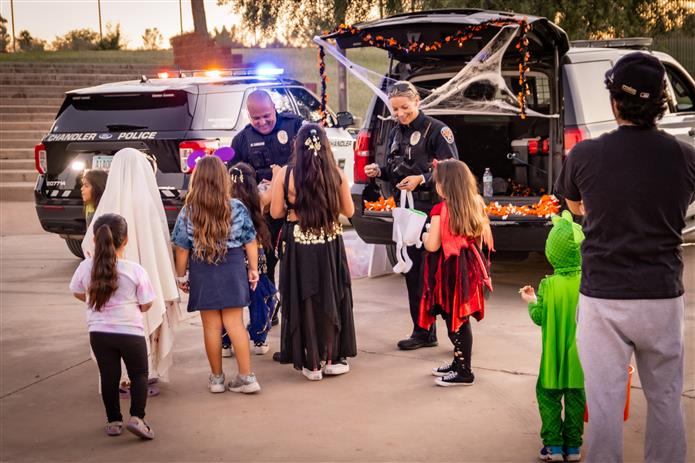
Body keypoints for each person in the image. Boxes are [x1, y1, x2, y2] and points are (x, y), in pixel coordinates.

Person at [554, 52, 695, 463]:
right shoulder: (686, 156)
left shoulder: (584, 156)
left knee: (604, 403)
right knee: (666, 398)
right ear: (662, 104)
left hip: (603, 296)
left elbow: (575, 206)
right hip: (662, 294)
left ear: (614, 103)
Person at [364, 80, 459, 350]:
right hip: (407, 210)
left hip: (433, 211)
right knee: (414, 271)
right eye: (395, 110)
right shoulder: (396, 129)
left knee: (439, 273)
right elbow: (397, 165)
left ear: (417, 101)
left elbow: (453, 169)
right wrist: (380, 171)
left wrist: (423, 179)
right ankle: (422, 330)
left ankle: (456, 332)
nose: (400, 114)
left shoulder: (438, 131)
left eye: (405, 107)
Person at [83, 148, 183, 396]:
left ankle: (120, 378)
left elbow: (88, 245)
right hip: (144, 280)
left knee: (115, 325)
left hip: (113, 282)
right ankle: (145, 375)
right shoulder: (147, 201)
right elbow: (160, 243)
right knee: (142, 324)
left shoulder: (108, 202)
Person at [270, 123, 356, 381]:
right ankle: (331, 358)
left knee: (304, 297)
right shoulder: (337, 174)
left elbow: (275, 212)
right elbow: (349, 211)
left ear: (297, 145)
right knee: (331, 294)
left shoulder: (285, 175)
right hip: (329, 242)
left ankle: (312, 363)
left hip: (299, 244)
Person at [172, 155, 261, 394]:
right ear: (224, 179)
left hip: (202, 267)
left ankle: (216, 379)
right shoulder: (237, 207)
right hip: (232, 266)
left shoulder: (189, 210)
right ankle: (246, 377)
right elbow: (250, 240)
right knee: (235, 323)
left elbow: (181, 247)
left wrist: (181, 276)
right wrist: (253, 269)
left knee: (211, 327)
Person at [70, 213, 155, 440]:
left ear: (95, 241)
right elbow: (147, 303)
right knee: (139, 374)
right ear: (125, 240)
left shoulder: (86, 267)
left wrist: (93, 299)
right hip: (130, 332)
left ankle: (113, 421)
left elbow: (78, 291)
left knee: (109, 375)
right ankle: (137, 418)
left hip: (99, 333)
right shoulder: (135, 270)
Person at [520, 210, 586, 463]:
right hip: (579, 359)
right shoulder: (587, 283)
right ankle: (574, 447)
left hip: (552, 359)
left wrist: (531, 300)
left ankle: (554, 447)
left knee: (548, 398)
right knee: (576, 400)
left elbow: (539, 317)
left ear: (552, 253)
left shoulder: (548, 285)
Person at [419, 159, 491, 386]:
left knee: (455, 320)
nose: (436, 186)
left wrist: (422, 237)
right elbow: (480, 238)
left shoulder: (440, 210)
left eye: (437, 182)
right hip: (469, 267)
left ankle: (465, 372)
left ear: (446, 185)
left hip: (450, 271)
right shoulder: (476, 203)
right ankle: (458, 362)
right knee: (460, 316)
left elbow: (432, 245)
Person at [229, 89, 303, 309]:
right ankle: (270, 308)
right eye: (256, 118)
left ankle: (295, 306)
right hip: (263, 214)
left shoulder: (295, 126)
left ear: (274, 109)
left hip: (295, 210)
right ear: (248, 115)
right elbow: (234, 180)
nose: (262, 122)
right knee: (266, 262)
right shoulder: (241, 140)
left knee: (296, 262)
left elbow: (313, 164)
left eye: (266, 116)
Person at [224, 162, 278, 356]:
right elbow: (275, 190)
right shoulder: (258, 200)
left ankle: (225, 343)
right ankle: (259, 339)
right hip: (256, 257)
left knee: (229, 302)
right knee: (262, 299)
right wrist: (276, 175)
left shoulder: (223, 201)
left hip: (232, 259)